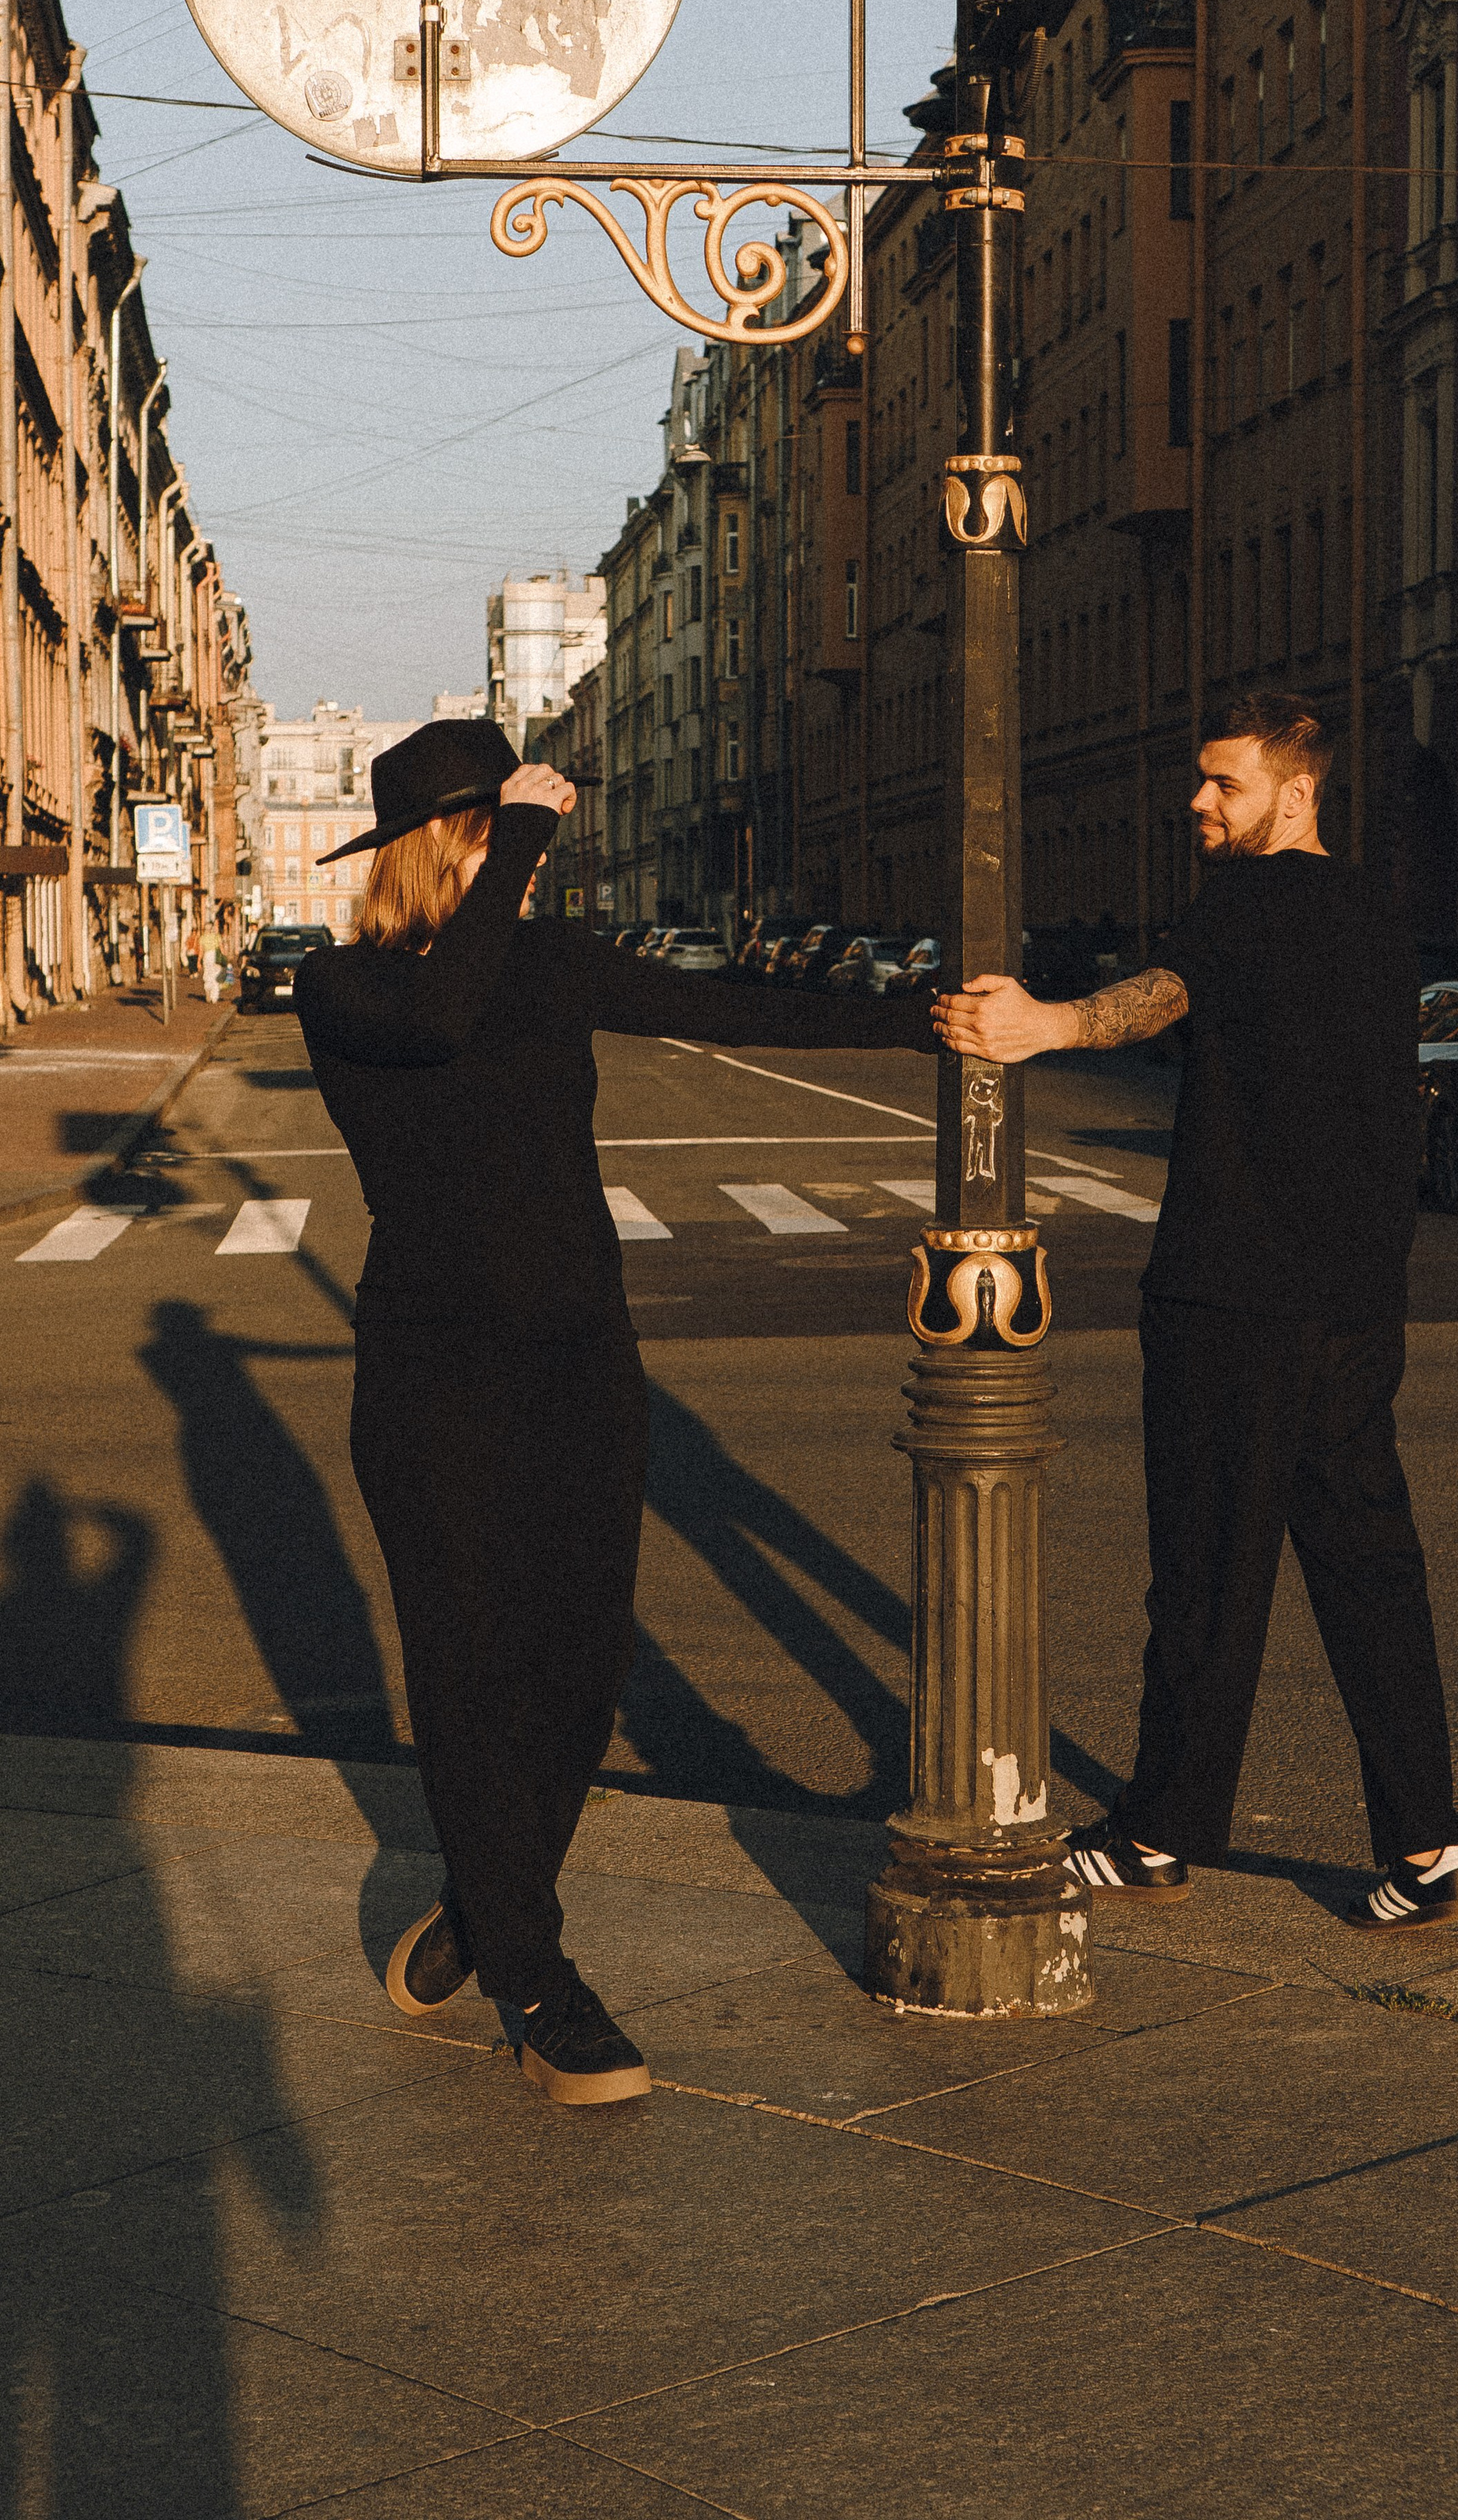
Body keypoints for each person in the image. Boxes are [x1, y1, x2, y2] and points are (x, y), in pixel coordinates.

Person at [296, 720, 935, 2105]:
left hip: (583, 1364)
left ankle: (487, 1906)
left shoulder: (542, 962)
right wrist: (520, 837)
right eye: (496, 840)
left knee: (578, 1674)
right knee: (469, 1674)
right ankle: (537, 1975)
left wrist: (931, 1022)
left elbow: (740, 1013)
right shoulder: (343, 988)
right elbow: (446, 1014)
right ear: (450, 848)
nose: (520, 869)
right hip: (434, 1382)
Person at [932, 694, 1458, 1935]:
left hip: (1233, 1291)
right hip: (1354, 1299)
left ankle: (1158, 1831)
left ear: (1293, 795)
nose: (1199, 804)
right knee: (1369, 1569)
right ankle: (1431, 1846)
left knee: (1203, 1574)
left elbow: (1167, 993)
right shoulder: (1380, 917)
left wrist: (1043, 1027)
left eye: (1222, 786)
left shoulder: (1245, 901)